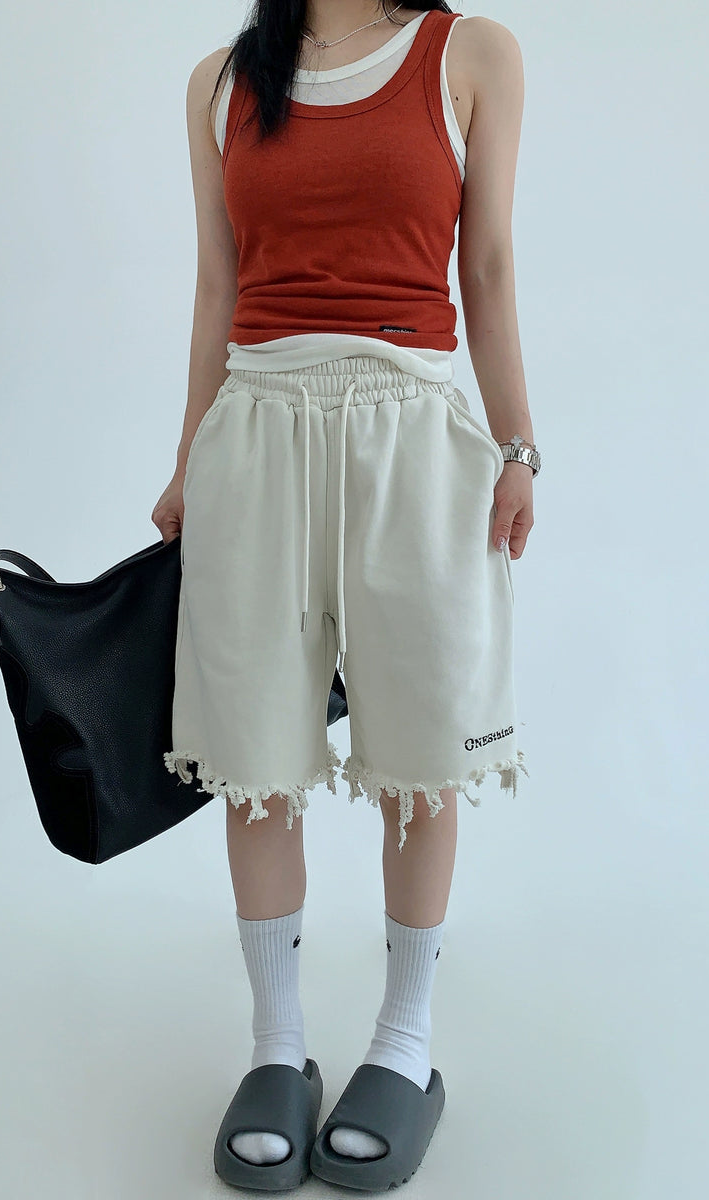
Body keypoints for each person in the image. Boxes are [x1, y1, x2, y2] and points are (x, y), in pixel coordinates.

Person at [151, 1, 538, 1190]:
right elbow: (218, 284)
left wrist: (519, 447)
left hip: (412, 434)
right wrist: (186, 464)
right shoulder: (223, 81)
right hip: (256, 432)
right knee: (256, 758)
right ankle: (278, 1048)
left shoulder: (468, 53)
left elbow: (486, 265)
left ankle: (403, 1045)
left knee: (420, 759)